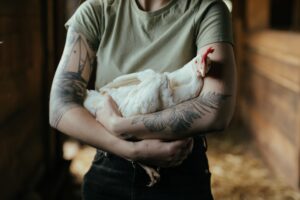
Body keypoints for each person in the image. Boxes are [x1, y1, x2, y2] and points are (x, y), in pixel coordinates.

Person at [49, 0, 236, 199]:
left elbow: (217, 109)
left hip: (179, 164)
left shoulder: (207, 9)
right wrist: (132, 150)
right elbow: (60, 106)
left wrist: (120, 126)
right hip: (111, 163)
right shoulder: (97, 9)